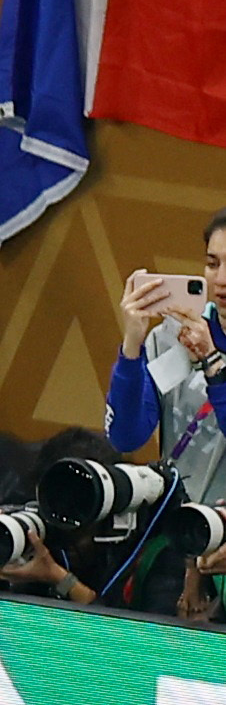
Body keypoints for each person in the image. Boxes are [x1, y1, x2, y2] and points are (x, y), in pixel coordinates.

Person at [107, 223, 226, 520]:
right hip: (179, 529)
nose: (221, 279)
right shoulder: (172, 336)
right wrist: (132, 345)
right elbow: (125, 437)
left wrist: (210, 359)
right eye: (213, 264)